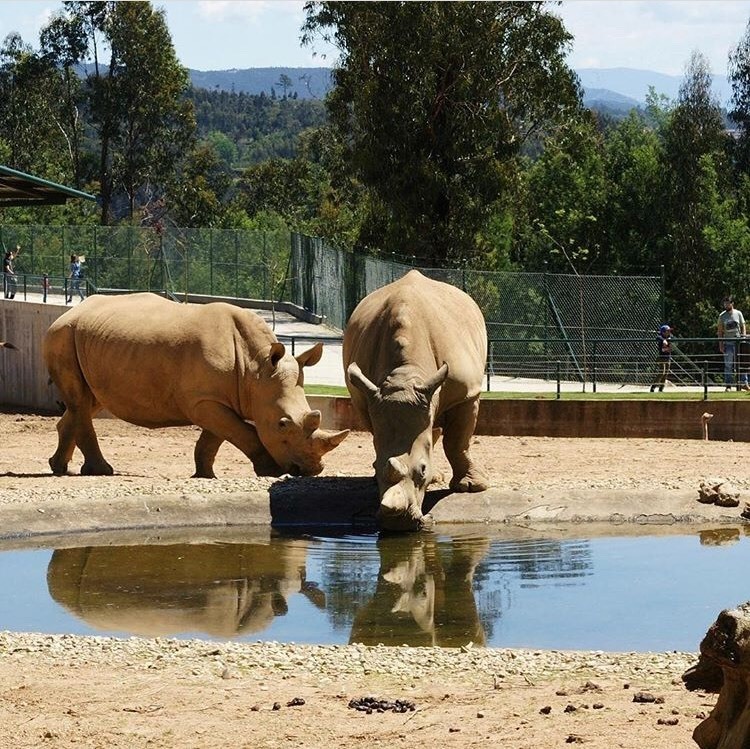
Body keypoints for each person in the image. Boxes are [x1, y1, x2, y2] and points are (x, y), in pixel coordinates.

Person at [718, 296, 749, 391]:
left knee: (742, 363)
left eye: (728, 303)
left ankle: (744, 383)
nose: (726, 305)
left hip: (739, 342)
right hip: (728, 343)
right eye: (725, 303)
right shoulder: (722, 316)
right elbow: (720, 331)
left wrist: (743, 337)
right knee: (728, 364)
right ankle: (728, 385)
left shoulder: (738, 313)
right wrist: (721, 344)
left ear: (732, 303)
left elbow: (742, 325)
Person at [650, 324, 673, 392]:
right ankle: (653, 387)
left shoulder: (669, 337)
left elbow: (672, 337)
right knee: (661, 372)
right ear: (663, 332)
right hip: (662, 357)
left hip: (668, 357)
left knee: (666, 373)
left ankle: (661, 389)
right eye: (667, 331)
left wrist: (667, 339)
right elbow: (658, 338)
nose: (669, 332)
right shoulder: (660, 338)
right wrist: (663, 340)